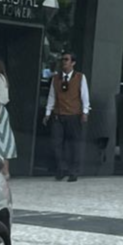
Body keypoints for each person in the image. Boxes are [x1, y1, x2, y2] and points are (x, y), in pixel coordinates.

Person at [44, 52, 89, 182]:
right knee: (56, 143)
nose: (63, 62)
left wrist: (85, 112)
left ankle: (73, 171)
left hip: (74, 115)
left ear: (73, 63)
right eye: (62, 60)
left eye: (66, 59)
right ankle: (61, 168)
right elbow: (52, 96)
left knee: (74, 144)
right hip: (58, 114)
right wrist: (48, 113)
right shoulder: (56, 78)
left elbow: (84, 95)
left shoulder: (80, 77)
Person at [0, 60, 15, 173]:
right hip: (2, 110)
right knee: (4, 141)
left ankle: (4, 171)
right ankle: (6, 171)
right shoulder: (3, 78)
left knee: (1, 142)